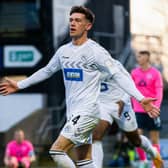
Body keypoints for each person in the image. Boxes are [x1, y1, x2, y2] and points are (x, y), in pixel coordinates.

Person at [0, 6, 160, 168]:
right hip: (85, 107)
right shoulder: (64, 52)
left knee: (59, 151)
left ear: (87, 26)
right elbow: (47, 71)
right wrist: (20, 84)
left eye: (77, 20)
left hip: (110, 102)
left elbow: (121, 78)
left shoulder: (98, 54)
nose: (72, 23)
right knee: (84, 159)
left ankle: (152, 152)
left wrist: (139, 98)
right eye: (71, 20)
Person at [92, 63, 164, 168]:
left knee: (135, 140)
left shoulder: (113, 64)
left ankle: (153, 152)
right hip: (103, 105)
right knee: (96, 136)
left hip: (122, 104)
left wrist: (122, 101)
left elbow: (129, 83)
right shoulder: (86, 67)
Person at [131, 50, 163, 167]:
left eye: (140, 56)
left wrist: (156, 108)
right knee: (137, 137)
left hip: (152, 110)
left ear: (146, 58)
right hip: (138, 110)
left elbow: (159, 92)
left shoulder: (155, 73)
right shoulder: (134, 73)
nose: (138, 58)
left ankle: (156, 163)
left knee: (154, 139)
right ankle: (143, 161)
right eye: (137, 56)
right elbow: (130, 90)